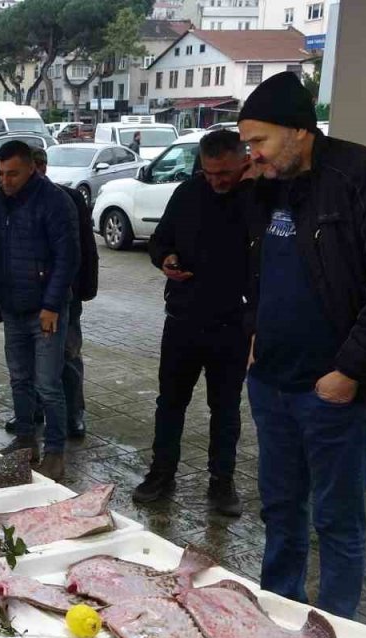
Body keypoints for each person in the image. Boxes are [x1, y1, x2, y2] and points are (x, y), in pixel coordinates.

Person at [239, 72, 366, 618]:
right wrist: (255, 336)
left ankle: (339, 631)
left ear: (300, 131)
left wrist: (348, 372)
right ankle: (278, 614)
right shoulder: (267, 185)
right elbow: (260, 271)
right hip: (272, 384)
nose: (252, 154)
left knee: (337, 520)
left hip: (334, 394)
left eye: (259, 141)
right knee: (280, 510)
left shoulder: (360, 177)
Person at [136, 129, 250, 517]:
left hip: (232, 325)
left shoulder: (255, 199)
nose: (217, 181)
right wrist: (165, 258)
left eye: (225, 173)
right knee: (170, 403)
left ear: (243, 162)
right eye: (209, 173)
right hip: (183, 320)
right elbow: (159, 241)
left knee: (225, 409)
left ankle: (222, 482)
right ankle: (161, 474)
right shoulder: (188, 194)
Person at [0, 141, 78, 480]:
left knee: (48, 384)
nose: (5, 181)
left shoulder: (54, 202)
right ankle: (26, 442)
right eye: (0, 173)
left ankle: (55, 451)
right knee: (19, 378)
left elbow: (67, 258)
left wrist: (52, 305)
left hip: (45, 311)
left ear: (31, 169)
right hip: (12, 307)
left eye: (12, 174)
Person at [31, 147, 98, 439]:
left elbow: (84, 248)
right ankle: (33, 409)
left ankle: (74, 413)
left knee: (69, 354)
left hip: (64, 295)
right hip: (28, 296)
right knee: (31, 355)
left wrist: (82, 289)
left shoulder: (68, 199)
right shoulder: (11, 201)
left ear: (43, 167)